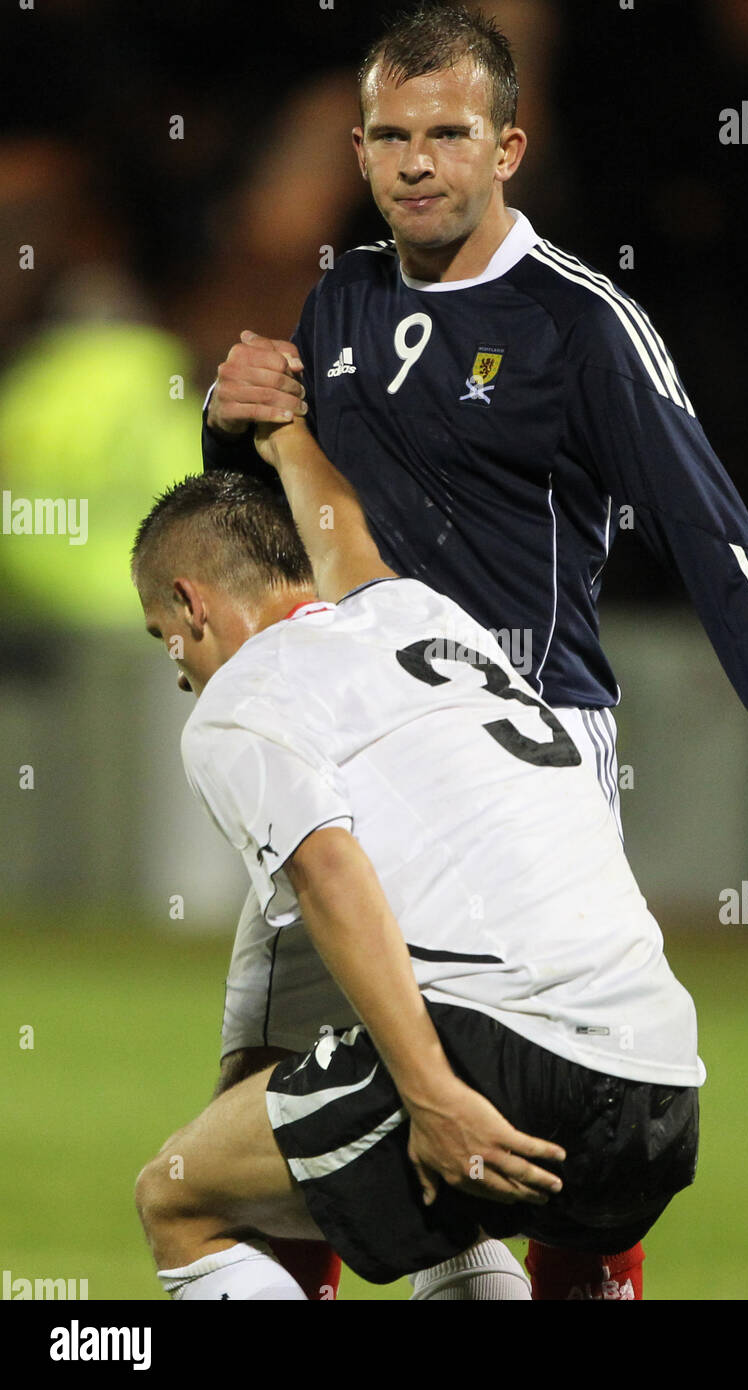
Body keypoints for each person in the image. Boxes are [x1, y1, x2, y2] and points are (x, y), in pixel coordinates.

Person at [199, 2, 748, 1299]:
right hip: (357, 752)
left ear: (509, 148)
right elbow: (272, 530)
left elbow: (721, 543)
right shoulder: (338, 301)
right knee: (278, 1106)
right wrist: (227, 422)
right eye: (392, 136)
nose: (419, 162)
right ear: (357, 149)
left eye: (449, 134)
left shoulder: (584, 326)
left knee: (538, 1128)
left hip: (523, 761)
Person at [131, 415, 703, 1300]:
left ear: (191, 602)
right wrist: (285, 436)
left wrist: (432, 1093)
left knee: (180, 1197)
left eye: (160, 632)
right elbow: (344, 533)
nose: (176, 669)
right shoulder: (419, 610)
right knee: (443, 1218)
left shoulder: (242, 698)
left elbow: (330, 873)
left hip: (513, 1055)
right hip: (665, 1085)